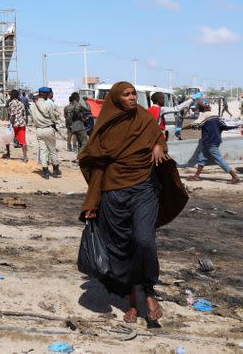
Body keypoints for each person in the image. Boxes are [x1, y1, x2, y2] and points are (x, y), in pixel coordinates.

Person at [79, 81, 188, 325]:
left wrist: (159, 146)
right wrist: (93, 203)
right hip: (114, 194)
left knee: (144, 240)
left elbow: (158, 137)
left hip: (144, 189)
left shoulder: (144, 118)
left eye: (133, 94)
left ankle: (148, 292)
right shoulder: (105, 125)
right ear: (116, 98)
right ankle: (132, 300)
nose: (131, 98)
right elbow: (91, 160)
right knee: (124, 248)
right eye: (126, 95)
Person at [187, 100, 241, 184]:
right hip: (213, 140)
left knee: (218, 159)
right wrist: (237, 125)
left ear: (201, 108)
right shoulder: (215, 115)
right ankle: (196, 176)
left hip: (210, 141)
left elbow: (195, 125)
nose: (197, 109)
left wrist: (182, 129)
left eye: (198, 107)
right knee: (202, 157)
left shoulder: (204, 116)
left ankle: (234, 176)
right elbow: (225, 125)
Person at [29, 86, 61, 178]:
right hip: (48, 129)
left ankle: (45, 172)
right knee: (52, 150)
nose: (48, 95)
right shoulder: (48, 104)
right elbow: (52, 117)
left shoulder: (33, 105)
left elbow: (32, 118)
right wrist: (54, 123)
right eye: (47, 94)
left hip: (39, 130)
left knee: (43, 151)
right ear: (44, 94)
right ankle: (55, 170)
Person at [5, 89, 28, 162]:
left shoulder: (12, 103)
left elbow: (13, 115)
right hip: (22, 123)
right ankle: (25, 157)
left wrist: (10, 124)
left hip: (14, 123)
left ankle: (8, 154)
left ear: (12, 95)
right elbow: (23, 114)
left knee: (7, 138)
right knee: (23, 141)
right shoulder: (21, 103)